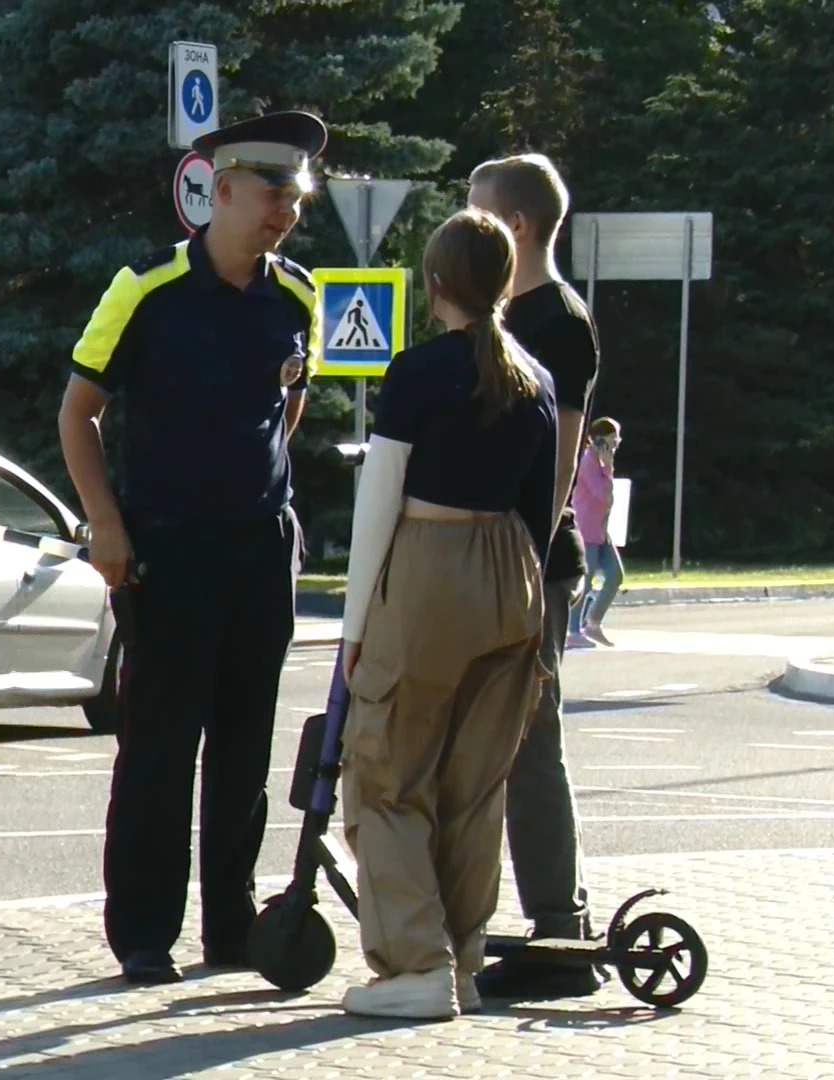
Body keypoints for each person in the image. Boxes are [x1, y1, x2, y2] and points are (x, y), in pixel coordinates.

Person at [59, 111, 326, 985]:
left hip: (257, 552)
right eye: (271, 193)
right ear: (223, 189)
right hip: (166, 555)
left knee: (246, 748)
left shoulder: (297, 296)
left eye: (297, 195)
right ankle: (143, 933)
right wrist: (106, 522)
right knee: (161, 749)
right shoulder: (145, 291)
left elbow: (288, 406)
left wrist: (267, 493)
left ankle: (230, 929)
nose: (285, 211)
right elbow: (78, 413)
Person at [336, 207, 557, 1019]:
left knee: (387, 775)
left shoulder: (418, 373)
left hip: (428, 570)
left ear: (436, 284)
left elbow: (379, 506)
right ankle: (462, 958)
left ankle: (414, 967)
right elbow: (543, 507)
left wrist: (356, 630)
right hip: (511, 578)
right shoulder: (535, 379)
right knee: (475, 786)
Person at [465, 152, 604, 1001]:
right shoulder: (505, 312)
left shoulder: (556, 320)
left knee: (528, 739)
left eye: (476, 214)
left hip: (530, 562)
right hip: (490, 553)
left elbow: (562, 447)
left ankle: (557, 928)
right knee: (498, 739)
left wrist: (525, 544)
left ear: (514, 226)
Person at [568, 418, 625, 648]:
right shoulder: (587, 462)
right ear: (601, 439)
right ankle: (572, 632)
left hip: (601, 532)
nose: (617, 443)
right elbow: (603, 495)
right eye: (614, 438)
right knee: (585, 582)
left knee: (615, 575)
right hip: (586, 530)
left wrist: (607, 466)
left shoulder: (600, 463)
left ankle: (593, 623)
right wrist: (608, 467)